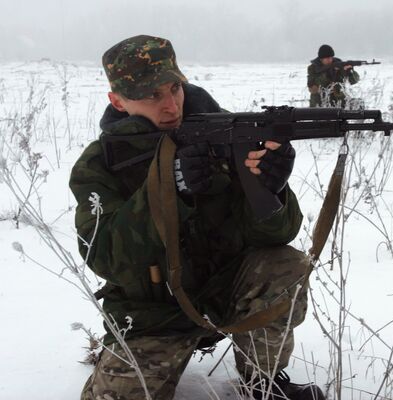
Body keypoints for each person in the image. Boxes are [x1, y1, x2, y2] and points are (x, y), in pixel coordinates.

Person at [69, 35, 325, 400]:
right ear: (118, 101)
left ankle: (262, 382)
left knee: (285, 264)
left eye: (175, 88)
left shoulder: (223, 137)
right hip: (151, 314)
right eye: (152, 95)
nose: (171, 105)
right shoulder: (100, 164)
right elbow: (106, 257)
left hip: (225, 292)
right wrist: (169, 189)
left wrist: (269, 189)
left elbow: (274, 237)